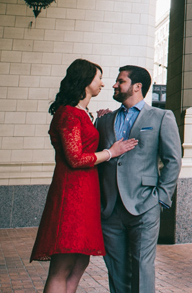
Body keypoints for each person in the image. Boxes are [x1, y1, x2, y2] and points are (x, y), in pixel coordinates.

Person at [31, 59, 138, 293]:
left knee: (80, 261)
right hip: (72, 195)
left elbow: (86, 143)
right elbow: (76, 158)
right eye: (98, 78)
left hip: (86, 194)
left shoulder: (83, 114)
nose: (102, 83)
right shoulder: (68, 114)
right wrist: (112, 152)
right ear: (85, 80)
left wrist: (100, 121)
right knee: (63, 265)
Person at [96, 65, 181, 293]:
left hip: (145, 205)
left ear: (137, 86)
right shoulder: (104, 121)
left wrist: (161, 198)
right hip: (110, 209)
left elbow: (173, 159)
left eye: (120, 81)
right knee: (116, 269)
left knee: (142, 267)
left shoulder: (161, 117)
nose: (114, 85)